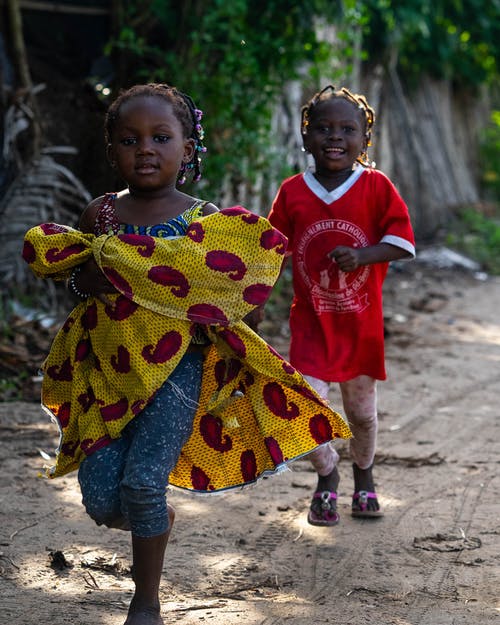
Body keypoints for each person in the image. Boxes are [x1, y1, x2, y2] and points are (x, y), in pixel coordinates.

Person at [23, 83, 351, 625]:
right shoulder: (100, 216)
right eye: (129, 139)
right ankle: (155, 518)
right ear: (111, 151)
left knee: (141, 481)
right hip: (107, 370)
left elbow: (239, 294)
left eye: (160, 137)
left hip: (180, 371)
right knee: (103, 500)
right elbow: (75, 280)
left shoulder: (204, 222)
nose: (145, 148)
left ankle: (144, 602)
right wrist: (95, 278)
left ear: (188, 148)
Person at [267, 85, 415, 527]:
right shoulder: (293, 191)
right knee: (307, 413)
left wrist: (363, 255)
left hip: (359, 328)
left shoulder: (375, 186)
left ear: (364, 140)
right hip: (310, 325)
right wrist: (253, 299)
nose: (336, 137)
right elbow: (271, 250)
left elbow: (403, 243)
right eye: (323, 128)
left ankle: (364, 480)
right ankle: (327, 476)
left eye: (348, 129)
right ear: (306, 136)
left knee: (362, 416)